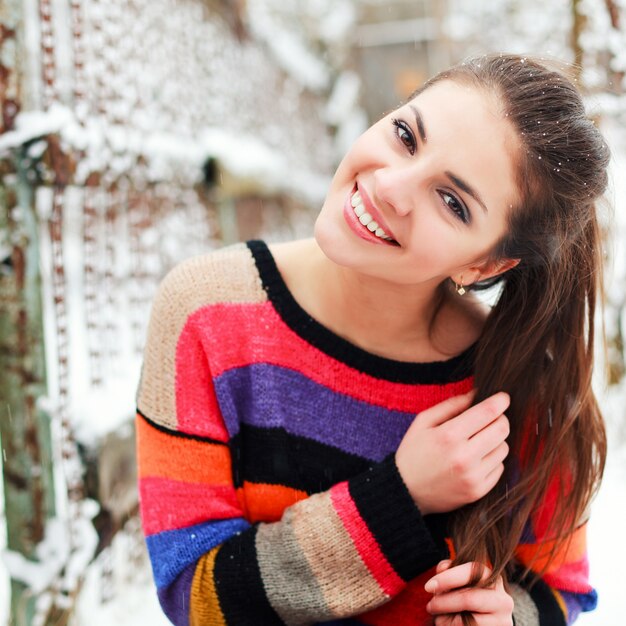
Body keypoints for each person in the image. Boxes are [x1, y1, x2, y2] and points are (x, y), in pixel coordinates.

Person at [135, 53, 610, 626]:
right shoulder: (206, 314)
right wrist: (399, 499)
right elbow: (194, 600)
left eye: (452, 202)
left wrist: (509, 618)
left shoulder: (516, 385)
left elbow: (562, 593)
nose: (390, 185)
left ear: (485, 264)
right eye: (406, 135)